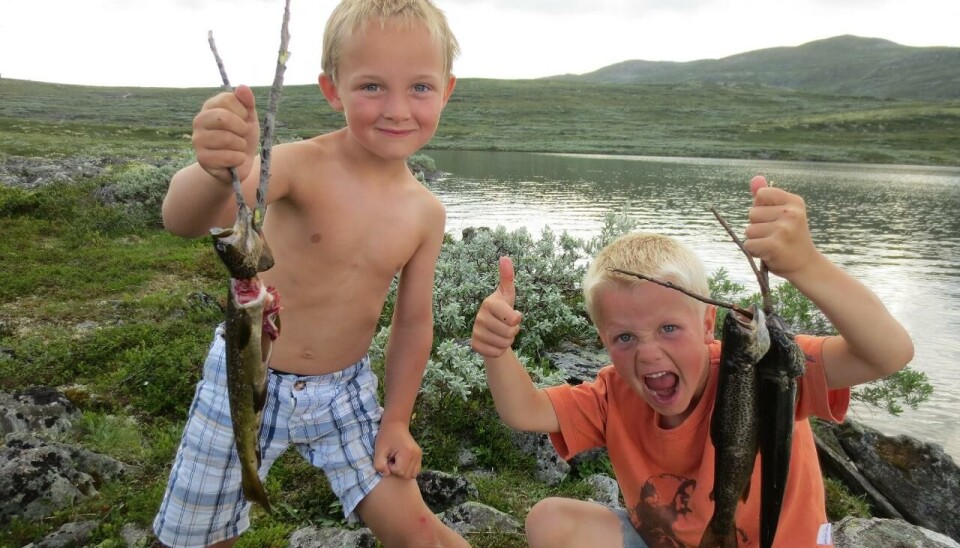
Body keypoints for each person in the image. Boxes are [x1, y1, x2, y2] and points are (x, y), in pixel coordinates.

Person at [153, 0, 468, 546]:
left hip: (347, 394)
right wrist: (214, 170)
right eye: (372, 86)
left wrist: (396, 420)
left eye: (420, 87)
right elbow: (182, 219)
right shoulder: (298, 165)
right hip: (242, 378)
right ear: (332, 90)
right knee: (192, 539)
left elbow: (413, 325)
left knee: (426, 537)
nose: (397, 109)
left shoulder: (426, 213)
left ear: (446, 91)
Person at [470, 175, 914, 547]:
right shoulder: (614, 394)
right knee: (550, 521)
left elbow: (886, 354)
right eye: (624, 337)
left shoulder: (763, 370)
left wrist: (807, 265)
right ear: (603, 339)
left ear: (707, 323)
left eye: (668, 329)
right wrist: (496, 351)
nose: (648, 352)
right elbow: (523, 410)